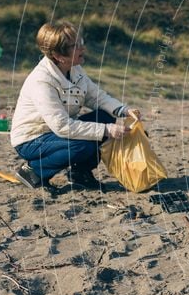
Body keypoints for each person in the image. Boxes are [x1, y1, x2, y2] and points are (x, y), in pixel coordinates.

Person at [10, 21, 140, 191]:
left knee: (105, 116)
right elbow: (62, 126)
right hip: (32, 139)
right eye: (75, 46)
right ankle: (34, 170)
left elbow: (96, 97)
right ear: (58, 55)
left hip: (56, 132)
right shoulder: (41, 81)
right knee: (84, 144)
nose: (82, 49)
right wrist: (107, 130)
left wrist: (124, 110)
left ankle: (80, 175)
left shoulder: (75, 69)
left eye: (81, 43)